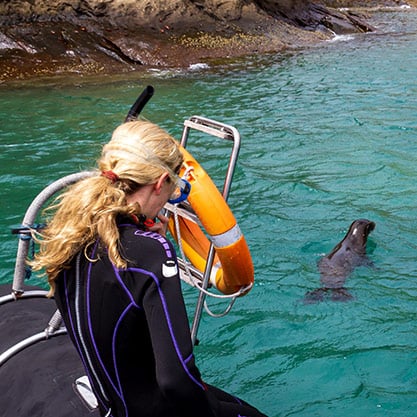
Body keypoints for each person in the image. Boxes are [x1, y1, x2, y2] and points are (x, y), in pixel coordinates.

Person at [32, 120, 268, 417]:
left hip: (115, 404)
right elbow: (175, 380)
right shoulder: (150, 253)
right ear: (159, 183)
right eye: (173, 189)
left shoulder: (70, 233)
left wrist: (149, 240)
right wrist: (158, 249)